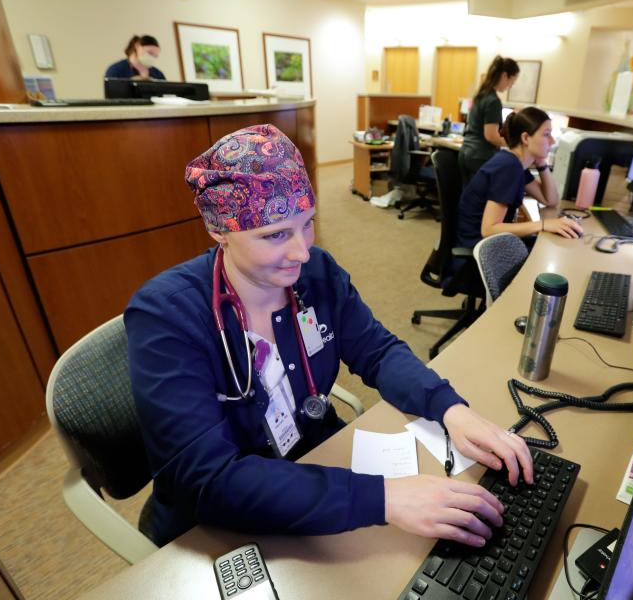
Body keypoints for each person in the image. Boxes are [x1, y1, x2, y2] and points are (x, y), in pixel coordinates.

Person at [125, 124, 533, 548]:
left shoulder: (316, 273)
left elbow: (376, 351)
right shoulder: (166, 316)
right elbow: (206, 479)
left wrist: (450, 410)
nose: (301, 252)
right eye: (275, 234)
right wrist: (384, 498)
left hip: (315, 466)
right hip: (218, 524)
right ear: (219, 231)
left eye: (307, 224)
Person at [455, 106, 583, 252]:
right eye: (546, 134)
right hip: (479, 251)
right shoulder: (509, 167)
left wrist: (541, 163)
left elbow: (550, 200)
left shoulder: (515, 163)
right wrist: (543, 224)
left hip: (486, 244)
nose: (552, 141)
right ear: (526, 138)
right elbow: (489, 229)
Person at [458, 56, 520, 181]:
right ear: (504, 76)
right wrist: (512, 144)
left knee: (468, 195)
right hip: (480, 156)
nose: (511, 86)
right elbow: (491, 136)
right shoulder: (493, 101)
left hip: (466, 153)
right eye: (512, 81)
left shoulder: (481, 95)